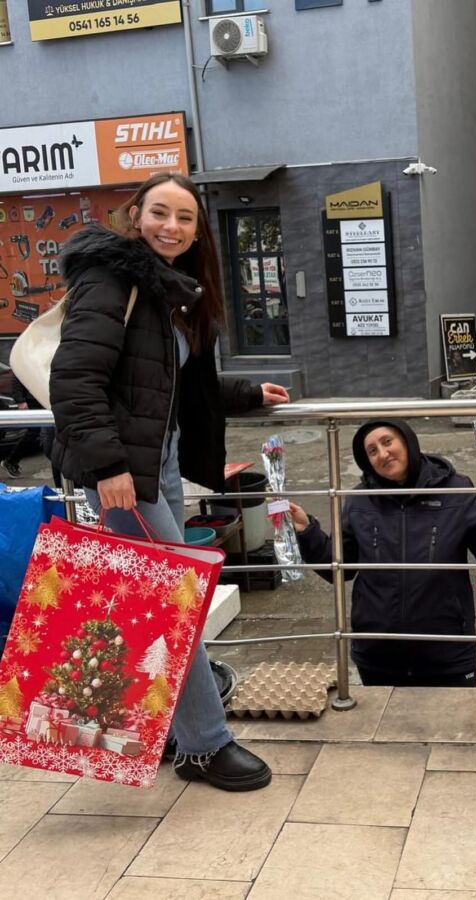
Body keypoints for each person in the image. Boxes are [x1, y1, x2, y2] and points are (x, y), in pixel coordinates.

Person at [50, 172, 290, 792]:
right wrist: (109, 468)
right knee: (171, 604)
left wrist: (245, 392)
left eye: (185, 218)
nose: (171, 227)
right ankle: (205, 744)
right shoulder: (112, 279)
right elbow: (74, 379)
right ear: (135, 215)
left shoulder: (167, 287)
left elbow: (163, 381)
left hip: (159, 465)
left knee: (153, 601)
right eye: (160, 212)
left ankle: (163, 731)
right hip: (126, 475)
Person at [289, 419, 476, 687]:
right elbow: (340, 567)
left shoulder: (457, 491)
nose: (382, 454)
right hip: (378, 655)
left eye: (387, 442)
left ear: (407, 441)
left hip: (448, 653)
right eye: (372, 451)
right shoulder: (359, 500)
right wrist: (307, 531)